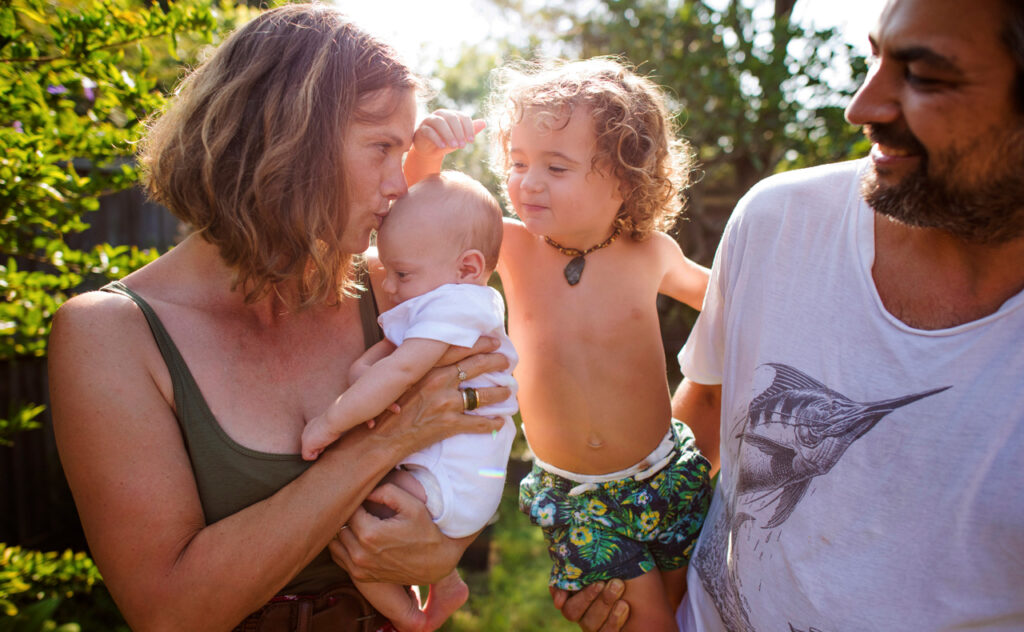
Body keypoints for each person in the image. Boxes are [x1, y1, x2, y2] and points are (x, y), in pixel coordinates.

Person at [560, 0, 1024, 629]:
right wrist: (646, 592)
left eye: (926, 77)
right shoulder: (780, 220)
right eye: (875, 57)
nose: (862, 106)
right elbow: (705, 417)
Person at [46, 5, 512, 631]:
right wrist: (385, 440)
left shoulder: (391, 291)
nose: (399, 184)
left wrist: (446, 547)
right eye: (381, 148)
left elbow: (480, 427)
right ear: (287, 143)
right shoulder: (110, 334)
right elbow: (168, 612)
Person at [405, 58, 714, 631]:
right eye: (518, 162)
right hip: (578, 498)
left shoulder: (650, 254)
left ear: (625, 180)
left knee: (690, 609)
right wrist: (426, 157)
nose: (529, 181)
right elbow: (421, 216)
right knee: (648, 623)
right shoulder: (511, 245)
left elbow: (730, 304)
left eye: (557, 166)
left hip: (668, 475)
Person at [299, 171, 519, 632]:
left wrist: (331, 421)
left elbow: (401, 369)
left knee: (352, 519)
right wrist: (364, 372)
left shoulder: (455, 304)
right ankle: (449, 582)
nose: (391, 285)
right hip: (454, 470)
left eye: (401, 273)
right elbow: (393, 353)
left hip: (450, 476)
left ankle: (410, 619)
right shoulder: (448, 298)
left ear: (467, 267)